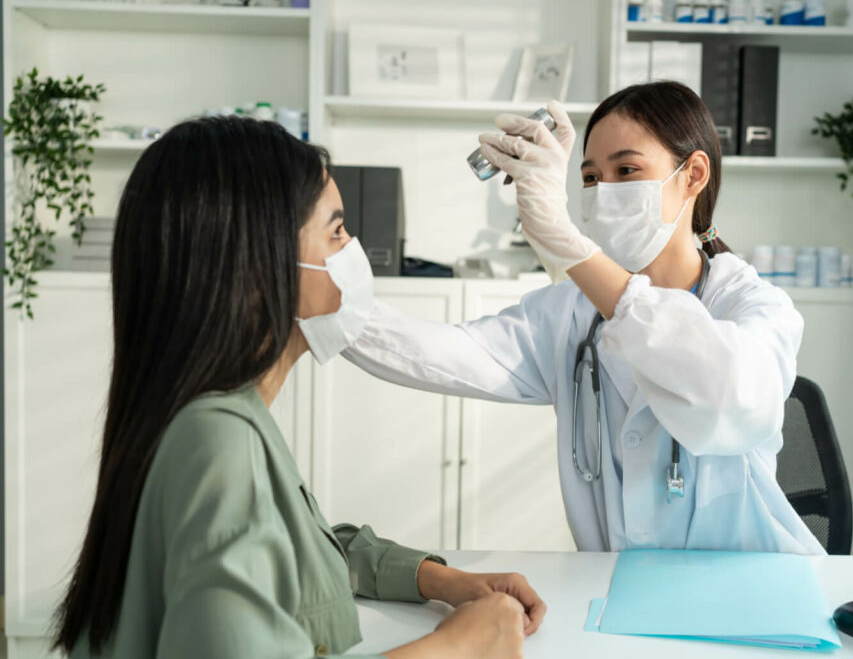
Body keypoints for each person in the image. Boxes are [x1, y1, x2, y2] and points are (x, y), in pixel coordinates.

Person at [51, 117, 545, 659]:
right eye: (335, 231)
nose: (353, 248)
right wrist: (463, 644)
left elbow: (300, 549)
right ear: (259, 266)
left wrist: (440, 580)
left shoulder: (212, 415)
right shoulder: (217, 441)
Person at [341, 81, 824, 555]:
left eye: (627, 170)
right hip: (616, 593)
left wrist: (567, 243)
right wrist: (327, 295)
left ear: (693, 175)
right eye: (591, 178)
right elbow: (438, 355)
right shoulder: (570, 314)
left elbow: (728, 398)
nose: (603, 193)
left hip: (746, 594)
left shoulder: (756, 307)